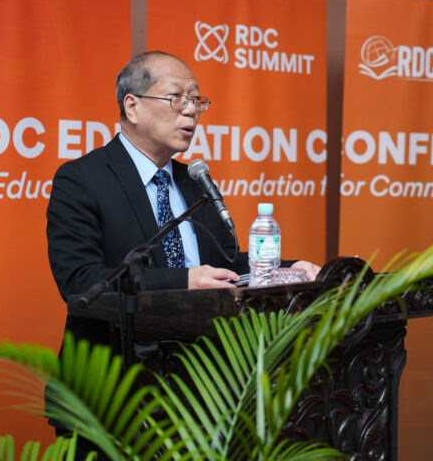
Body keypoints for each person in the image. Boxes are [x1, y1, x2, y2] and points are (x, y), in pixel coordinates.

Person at [45, 50, 320, 450]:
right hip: (110, 397)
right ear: (132, 106)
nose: (191, 111)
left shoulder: (192, 181)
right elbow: (80, 282)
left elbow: (225, 263)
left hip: (201, 396)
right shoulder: (81, 179)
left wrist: (288, 269)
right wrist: (184, 280)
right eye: (177, 98)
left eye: (196, 100)